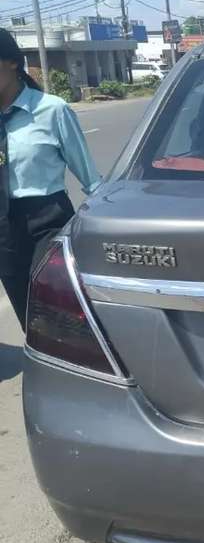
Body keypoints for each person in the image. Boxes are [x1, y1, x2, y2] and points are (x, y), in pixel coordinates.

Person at [0, 28, 101, 329]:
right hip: (4, 228)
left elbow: (89, 175)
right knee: (28, 315)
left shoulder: (52, 110)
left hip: (47, 219)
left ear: (12, 62)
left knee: (56, 305)